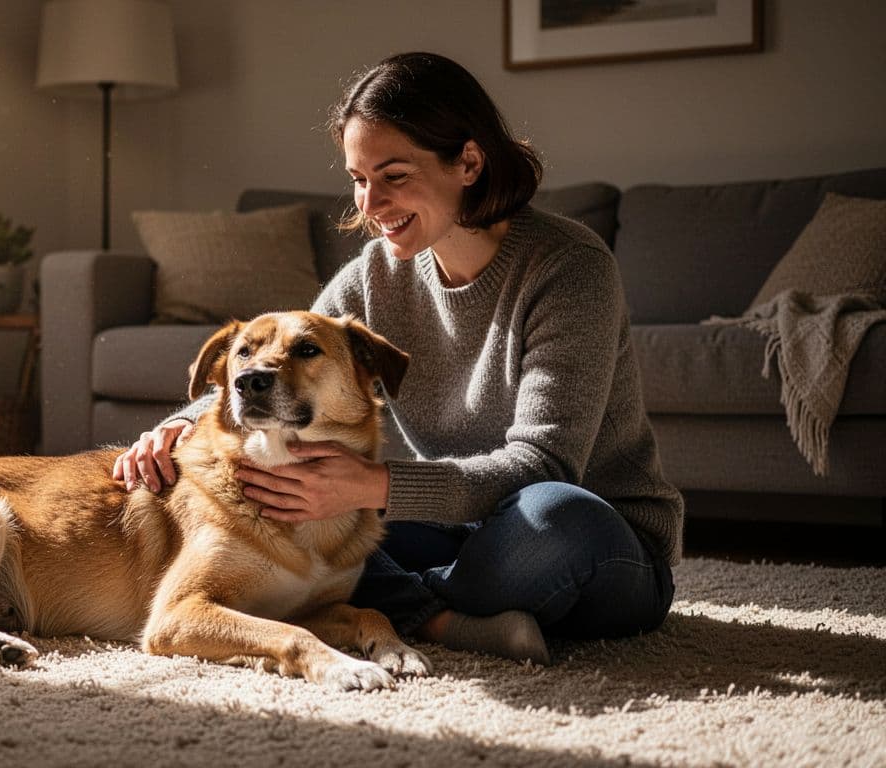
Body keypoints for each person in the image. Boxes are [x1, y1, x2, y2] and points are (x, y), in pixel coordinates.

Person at [112, 52, 682, 665]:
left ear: (468, 162)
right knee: (308, 521)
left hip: (599, 540)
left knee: (554, 519)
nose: (370, 202)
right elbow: (284, 360)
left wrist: (374, 486)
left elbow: (544, 465)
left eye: (394, 175)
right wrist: (182, 422)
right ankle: (444, 614)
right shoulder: (373, 277)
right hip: (461, 528)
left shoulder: (570, 268)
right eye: (359, 178)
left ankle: (420, 609)